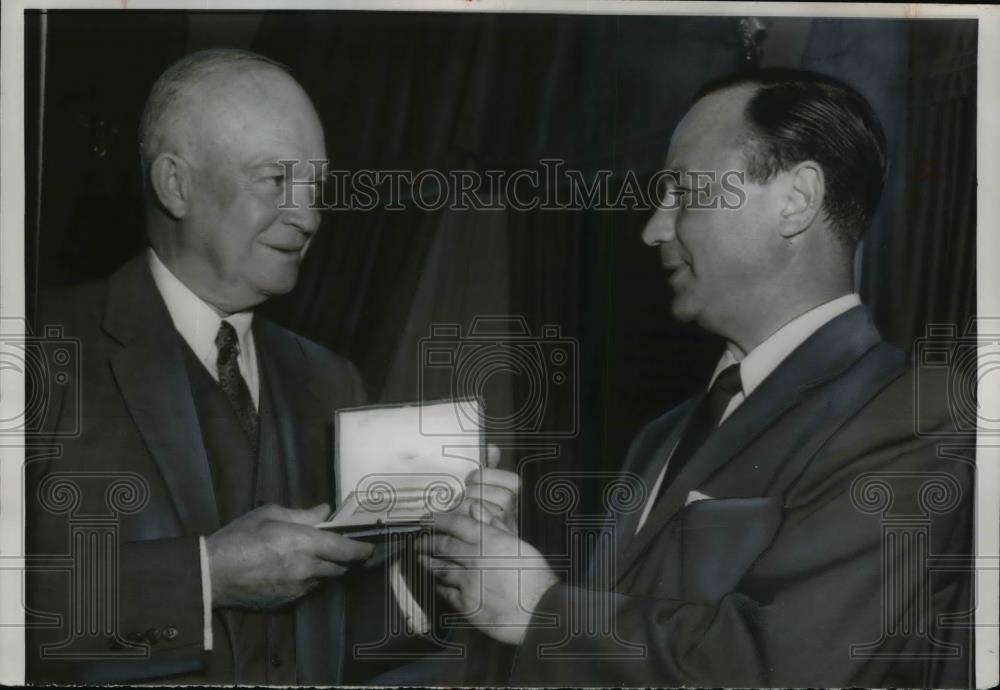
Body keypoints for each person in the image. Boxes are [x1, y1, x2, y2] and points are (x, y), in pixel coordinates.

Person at [417, 68, 975, 687]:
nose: (653, 228)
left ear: (796, 199)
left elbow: (791, 669)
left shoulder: (918, 416)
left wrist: (537, 610)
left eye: (681, 192)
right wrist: (489, 568)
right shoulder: (662, 435)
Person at [25, 48, 515, 685]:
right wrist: (208, 575)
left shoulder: (331, 379)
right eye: (275, 180)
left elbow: (319, 645)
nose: (308, 216)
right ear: (176, 184)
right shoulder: (34, 344)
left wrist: (426, 574)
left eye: (316, 185)